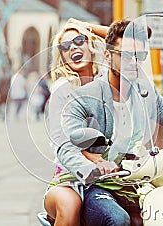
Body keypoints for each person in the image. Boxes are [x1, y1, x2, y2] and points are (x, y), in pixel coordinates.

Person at [58, 19, 163, 226]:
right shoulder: (84, 97)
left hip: (138, 181)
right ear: (107, 56)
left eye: (140, 56)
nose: (133, 61)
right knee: (118, 220)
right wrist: (92, 167)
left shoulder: (146, 94)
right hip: (99, 184)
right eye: (125, 55)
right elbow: (66, 146)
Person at [43, 20, 108, 225]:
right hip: (69, 176)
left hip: (111, 175)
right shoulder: (62, 89)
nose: (73, 47)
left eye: (79, 40)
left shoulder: (107, 82)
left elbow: (132, 38)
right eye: (65, 46)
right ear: (62, 57)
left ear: (91, 45)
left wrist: (86, 26)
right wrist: (92, 158)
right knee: (70, 205)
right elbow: (60, 141)